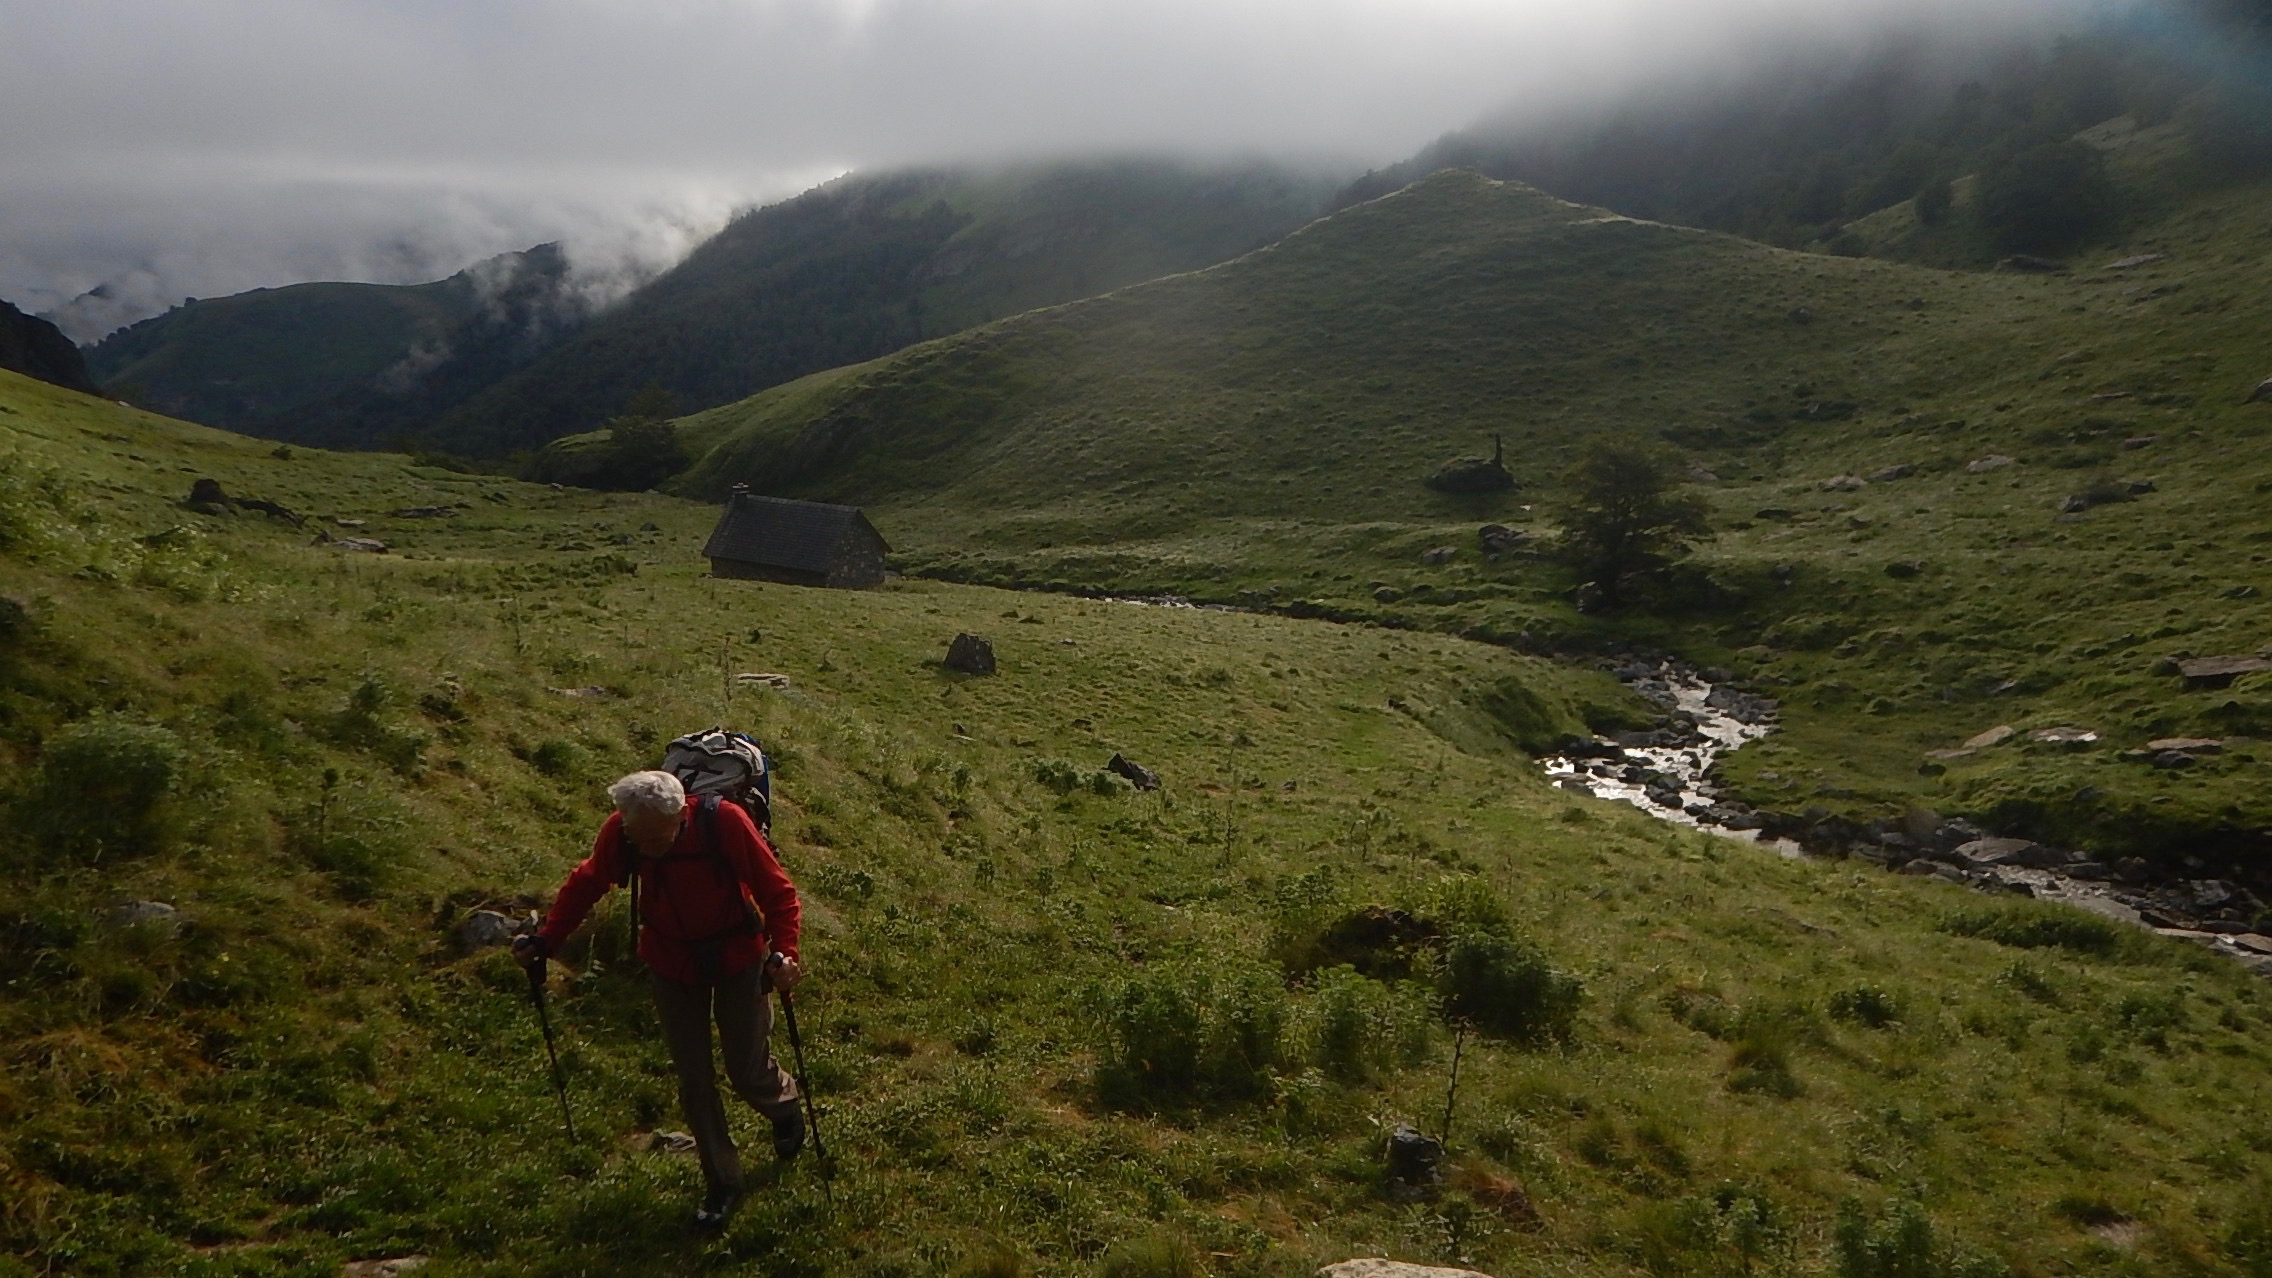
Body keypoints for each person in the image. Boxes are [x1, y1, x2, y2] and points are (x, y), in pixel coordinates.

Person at [514, 770, 805, 1228]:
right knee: (694, 1079)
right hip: (671, 962)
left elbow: (778, 892)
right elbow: (589, 881)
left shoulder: (724, 822)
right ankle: (722, 1181)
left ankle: (783, 1106)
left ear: (682, 814)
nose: (647, 848)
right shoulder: (622, 832)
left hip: (738, 956)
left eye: (657, 838)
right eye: (638, 838)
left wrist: (785, 953)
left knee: (746, 1066)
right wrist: (548, 939)